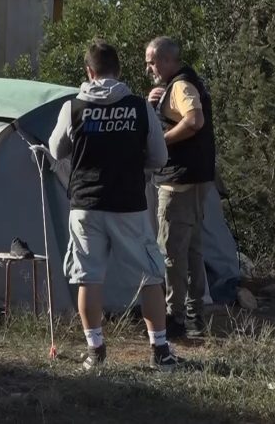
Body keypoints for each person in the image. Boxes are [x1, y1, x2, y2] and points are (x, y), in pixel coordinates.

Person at [48, 39, 183, 370]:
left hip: (85, 205)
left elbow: (55, 151)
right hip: (129, 204)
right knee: (150, 274)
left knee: (88, 277)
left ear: (89, 72)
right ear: (118, 71)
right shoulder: (138, 108)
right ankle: (160, 352)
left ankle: (96, 351)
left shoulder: (73, 107)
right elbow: (159, 156)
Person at [145, 36, 217, 338]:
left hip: (178, 184)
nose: (148, 67)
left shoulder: (181, 86)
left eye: (152, 61)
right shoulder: (186, 83)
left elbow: (194, 120)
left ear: (167, 61)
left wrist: (161, 140)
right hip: (197, 180)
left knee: (173, 253)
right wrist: (159, 102)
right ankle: (194, 316)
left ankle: (174, 319)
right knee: (193, 251)